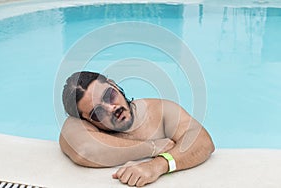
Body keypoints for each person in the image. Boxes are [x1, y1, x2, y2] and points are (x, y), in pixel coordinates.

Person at [60, 71, 215, 187]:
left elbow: (203, 142)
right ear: (85, 119)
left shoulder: (160, 111)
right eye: (98, 113)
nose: (111, 108)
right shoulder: (78, 125)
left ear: (113, 84)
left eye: (109, 95)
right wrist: (154, 147)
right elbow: (85, 151)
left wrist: (157, 166)